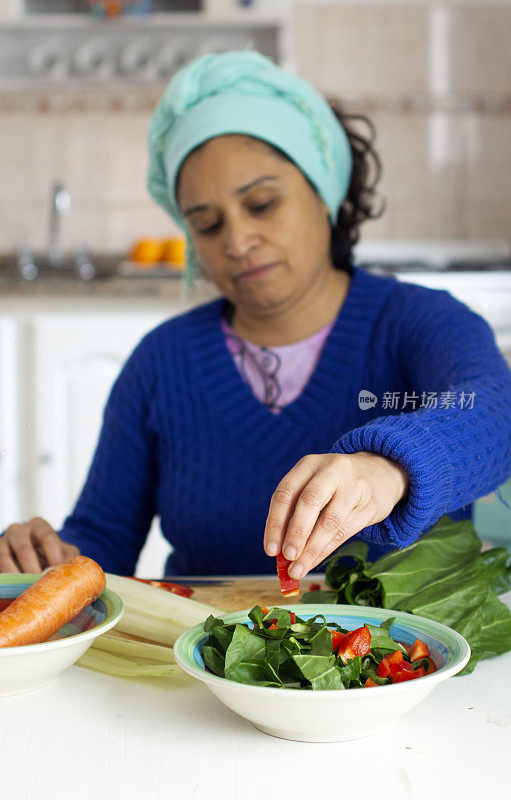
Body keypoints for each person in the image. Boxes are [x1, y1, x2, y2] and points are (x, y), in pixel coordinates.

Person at [1, 51, 510, 579]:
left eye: (262, 204)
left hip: (403, 656)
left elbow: (496, 417)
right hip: (198, 656)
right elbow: (102, 538)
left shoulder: (420, 323)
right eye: (207, 224)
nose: (238, 242)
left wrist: (388, 470)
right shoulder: (162, 362)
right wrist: (40, 558)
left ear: (324, 191)